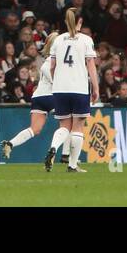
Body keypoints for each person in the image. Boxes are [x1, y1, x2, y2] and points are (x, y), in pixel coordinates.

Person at [47, 9, 98, 174]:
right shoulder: (85, 40)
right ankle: (73, 165)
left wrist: (57, 81)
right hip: (79, 88)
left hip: (60, 88)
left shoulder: (58, 40)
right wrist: (96, 87)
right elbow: (90, 65)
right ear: (80, 22)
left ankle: (54, 147)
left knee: (64, 126)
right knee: (77, 127)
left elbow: (52, 66)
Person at [1, 32, 59, 162]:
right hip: (52, 96)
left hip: (38, 97)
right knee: (70, 124)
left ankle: (10, 144)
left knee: (34, 129)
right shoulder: (56, 61)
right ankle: (65, 156)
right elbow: (56, 80)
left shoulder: (45, 61)